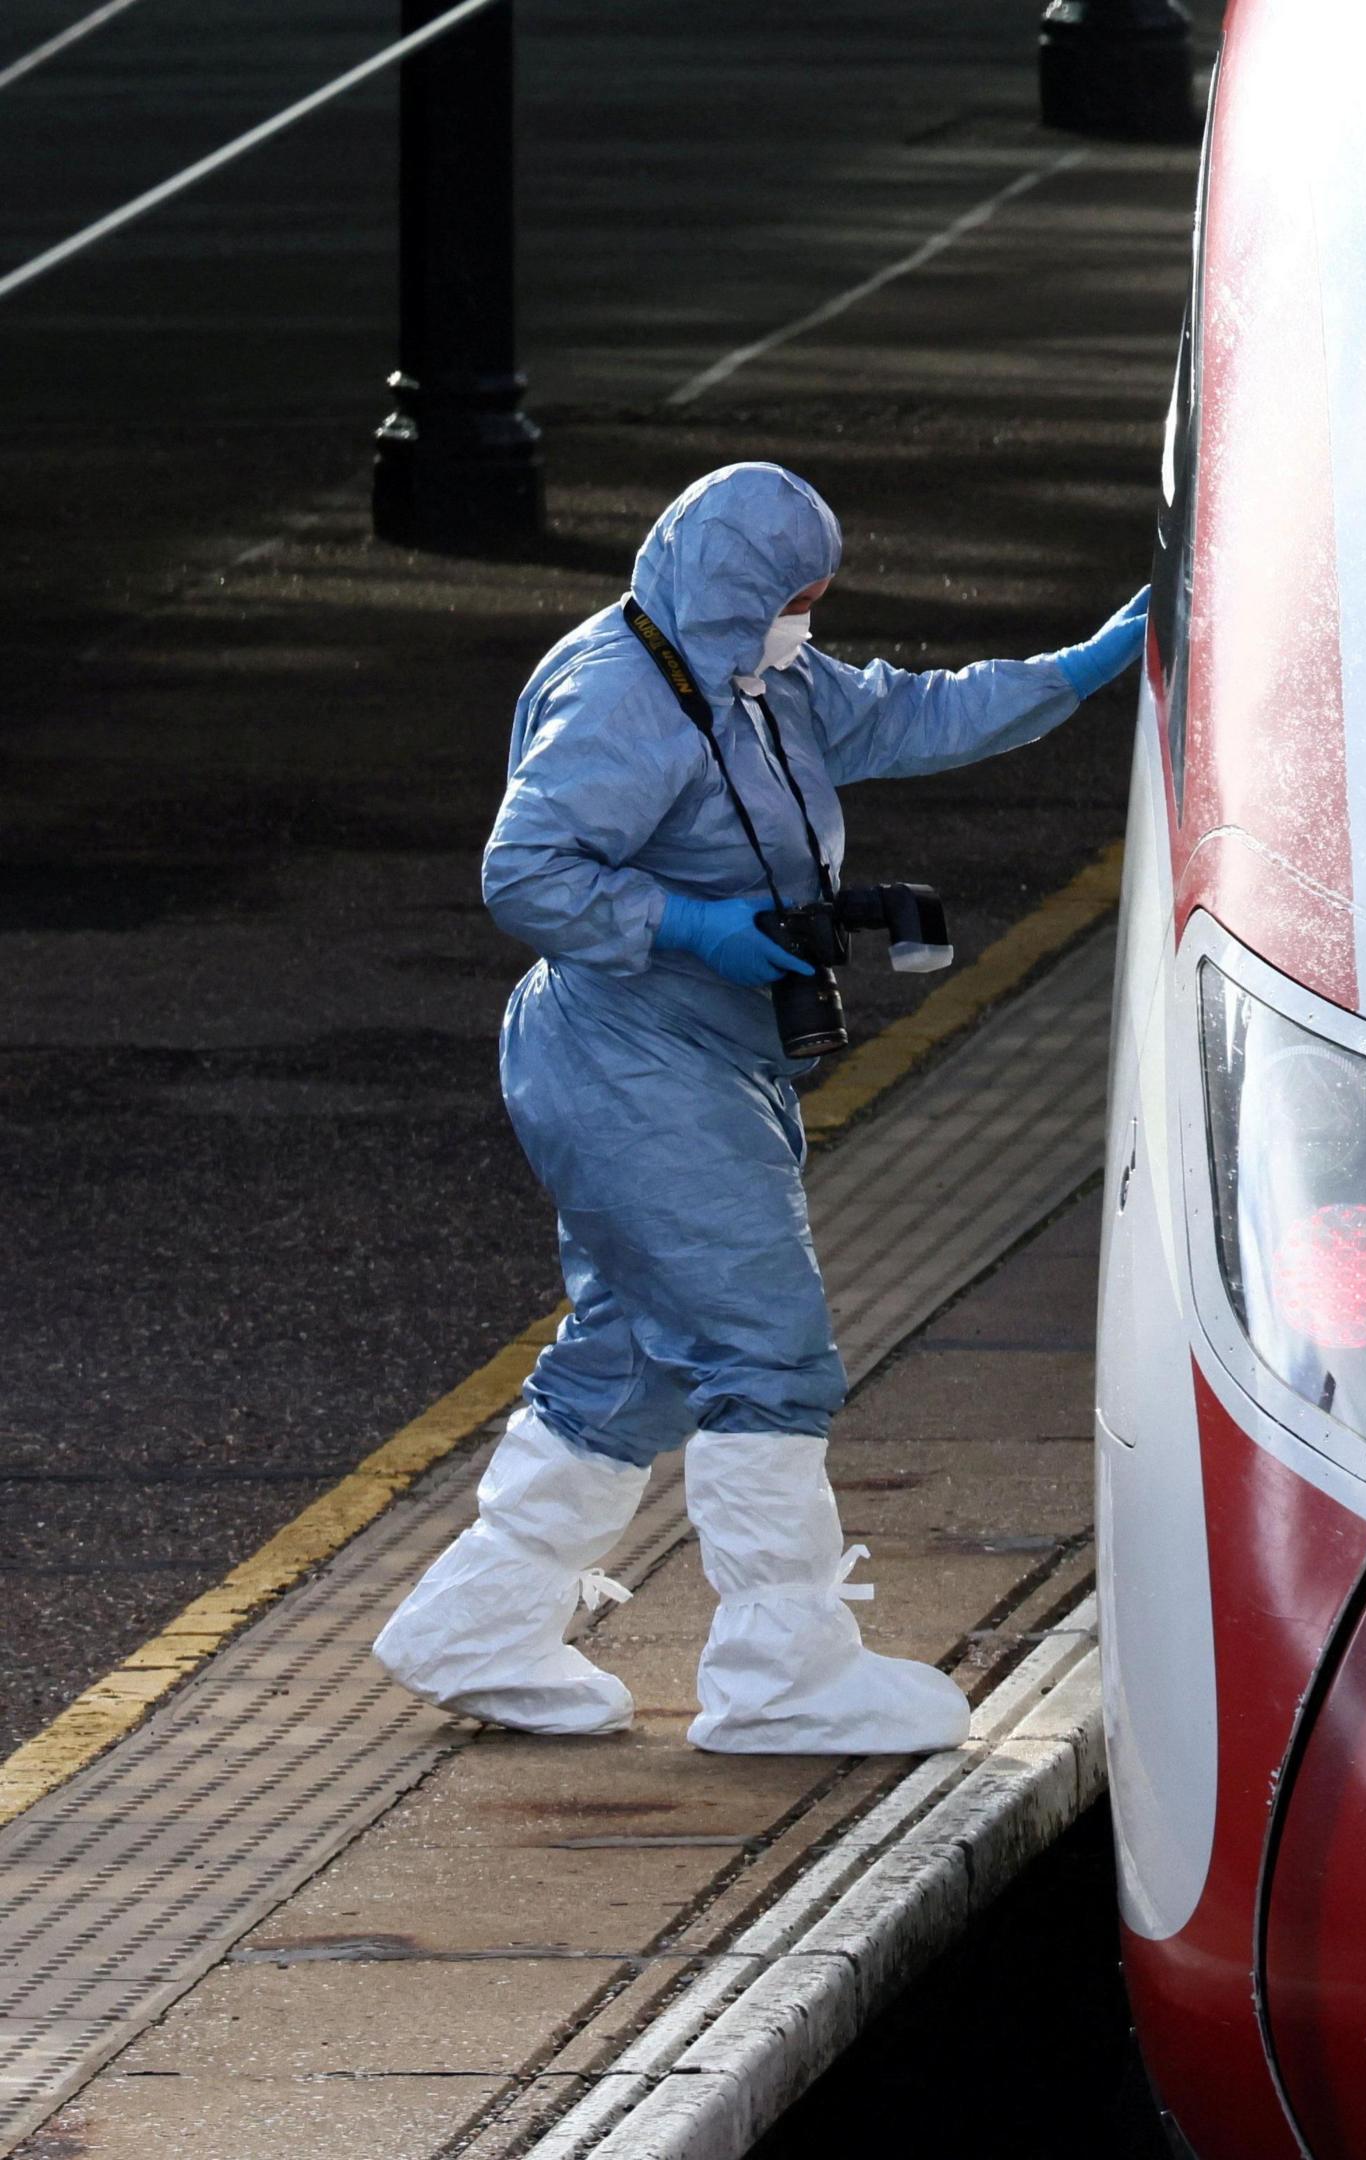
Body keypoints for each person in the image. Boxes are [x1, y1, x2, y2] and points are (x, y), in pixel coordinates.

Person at [373, 462, 1147, 1754]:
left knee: (633, 1358)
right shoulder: (623, 695)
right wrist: (687, 926)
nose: (811, 621)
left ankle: (477, 1621)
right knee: (765, 1350)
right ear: (742, 589)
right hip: (631, 1061)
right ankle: (781, 1669)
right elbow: (526, 871)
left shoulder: (762, 675)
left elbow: (915, 716)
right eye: (798, 596)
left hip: (687, 1058)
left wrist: (1079, 668)